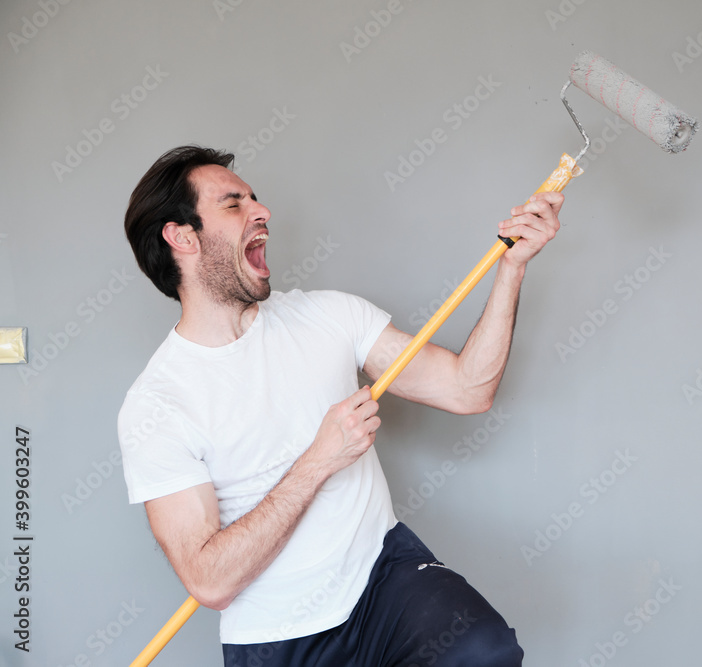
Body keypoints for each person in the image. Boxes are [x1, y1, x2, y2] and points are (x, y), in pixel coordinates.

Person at [118, 145, 563, 666]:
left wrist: (510, 268)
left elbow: (467, 389)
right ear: (182, 237)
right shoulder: (157, 404)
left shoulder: (329, 316)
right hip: (279, 637)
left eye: (255, 199)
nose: (262, 212)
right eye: (234, 203)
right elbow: (210, 581)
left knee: (482, 650)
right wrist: (319, 460)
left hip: (383, 578)